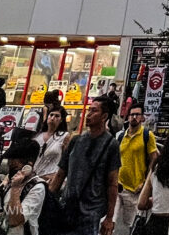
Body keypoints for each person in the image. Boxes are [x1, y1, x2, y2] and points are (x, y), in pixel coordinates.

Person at [50, 98, 121, 235]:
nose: (88, 114)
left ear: (104, 116)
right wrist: (48, 199)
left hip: (91, 213)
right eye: (89, 110)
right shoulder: (75, 141)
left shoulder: (111, 145)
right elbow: (60, 174)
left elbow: (113, 183)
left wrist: (109, 218)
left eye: (94, 111)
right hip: (67, 208)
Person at [115, 102, 157, 235]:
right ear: (127, 117)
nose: (134, 117)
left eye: (137, 114)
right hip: (118, 187)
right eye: (132, 114)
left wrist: (145, 184)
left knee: (133, 227)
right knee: (108, 221)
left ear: (142, 117)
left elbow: (154, 158)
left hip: (135, 189)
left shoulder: (147, 135)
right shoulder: (120, 136)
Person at [0, 137, 45, 235]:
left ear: (28, 165)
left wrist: (15, 189)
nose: (10, 164)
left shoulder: (37, 187)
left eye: (14, 165)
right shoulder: (11, 180)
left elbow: (15, 220)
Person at [33, 107, 71, 184]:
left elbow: (66, 160)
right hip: (33, 176)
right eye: (51, 115)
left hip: (51, 178)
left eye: (57, 116)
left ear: (61, 120)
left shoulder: (64, 136)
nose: (53, 118)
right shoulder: (37, 136)